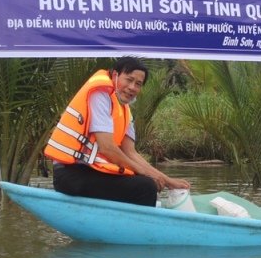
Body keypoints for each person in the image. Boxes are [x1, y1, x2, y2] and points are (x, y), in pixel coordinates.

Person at [44, 56, 189, 206]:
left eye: (138, 84)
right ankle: (136, 228)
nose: (132, 87)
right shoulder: (100, 94)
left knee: (145, 183)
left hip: (92, 172)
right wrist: (145, 174)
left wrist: (167, 181)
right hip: (70, 173)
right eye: (129, 79)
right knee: (145, 187)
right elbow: (107, 148)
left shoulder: (125, 110)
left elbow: (130, 153)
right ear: (115, 76)